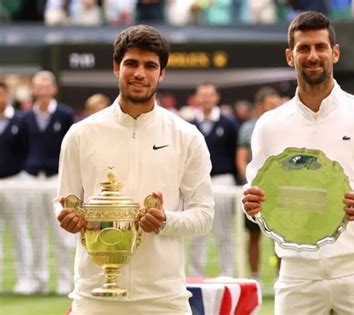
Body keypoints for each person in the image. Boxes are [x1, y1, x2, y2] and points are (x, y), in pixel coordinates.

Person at [241, 11, 354, 314]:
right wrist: (254, 207)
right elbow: (259, 200)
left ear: (334, 53)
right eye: (303, 48)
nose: (312, 55)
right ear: (289, 56)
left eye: (320, 47)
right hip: (297, 276)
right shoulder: (269, 125)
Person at [56, 24, 214, 314]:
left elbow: (204, 216)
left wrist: (165, 221)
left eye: (150, 65)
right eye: (131, 63)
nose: (140, 73)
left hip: (163, 299)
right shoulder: (80, 134)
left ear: (162, 73)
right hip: (95, 297)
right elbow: (64, 201)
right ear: (117, 68)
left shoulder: (186, 135)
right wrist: (66, 217)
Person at [21, 70, 75, 295]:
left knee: (62, 234)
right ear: (34, 90)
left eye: (46, 86)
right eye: (38, 86)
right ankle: (37, 280)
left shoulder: (65, 114)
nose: (42, 90)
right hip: (32, 180)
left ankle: (65, 281)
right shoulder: (25, 117)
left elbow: (70, 148)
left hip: (56, 179)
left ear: (53, 89)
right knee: (37, 233)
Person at [188, 83, 238, 278]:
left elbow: (236, 152)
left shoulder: (228, 123)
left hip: (223, 180)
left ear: (217, 97)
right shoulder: (191, 125)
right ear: (197, 98)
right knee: (196, 230)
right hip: (197, 182)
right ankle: (195, 274)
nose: (207, 98)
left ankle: (228, 274)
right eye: (203, 95)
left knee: (223, 230)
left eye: (210, 95)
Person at [236, 86, 281, 282]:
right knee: (253, 235)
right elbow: (242, 157)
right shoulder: (248, 128)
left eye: (276, 104)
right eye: (269, 105)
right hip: (256, 188)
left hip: (279, 189)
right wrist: (250, 182)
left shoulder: (284, 126)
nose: (273, 108)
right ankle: (255, 278)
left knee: (281, 235)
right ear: (260, 106)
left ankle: (282, 277)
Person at [0, 82, 34, 294]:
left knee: (19, 231)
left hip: (15, 181)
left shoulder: (21, 120)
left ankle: (26, 279)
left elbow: (28, 149)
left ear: (7, 95)